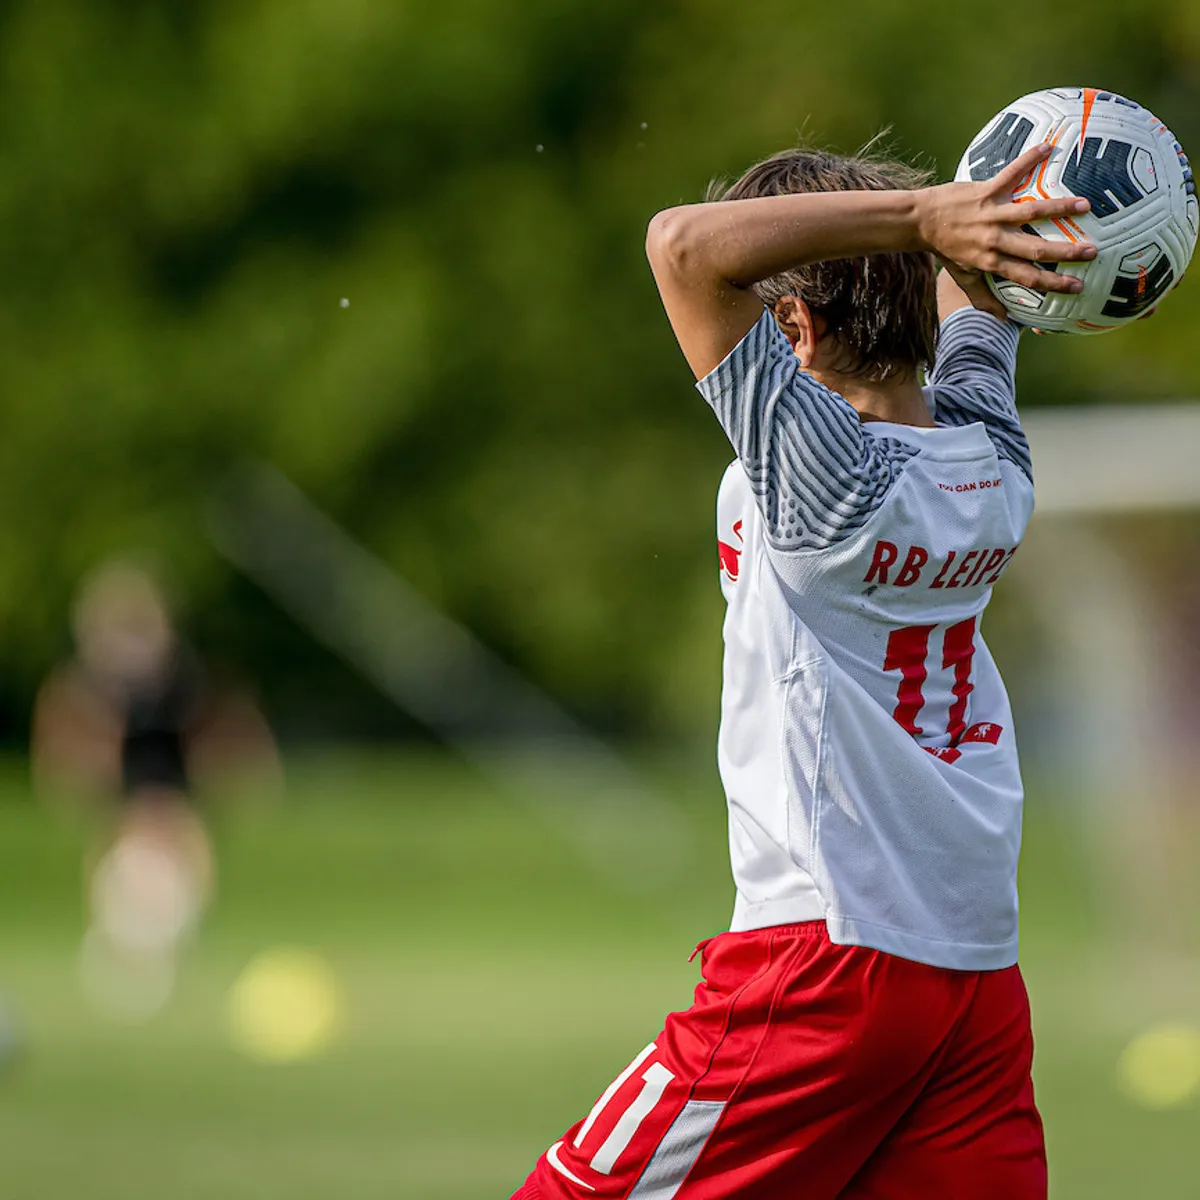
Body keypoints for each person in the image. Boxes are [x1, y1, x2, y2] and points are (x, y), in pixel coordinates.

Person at [509, 139, 1096, 1199]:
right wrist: (988, 217)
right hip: (971, 981)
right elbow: (982, 316)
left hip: (821, 963)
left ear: (792, 328)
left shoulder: (824, 484)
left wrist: (924, 216)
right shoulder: (991, 459)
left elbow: (680, 246)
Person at [32, 561, 280, 1016]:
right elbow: (65, 764)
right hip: (123, 800)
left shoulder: (188, 684)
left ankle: (177, 945)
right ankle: (118, 943)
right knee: (126, 864)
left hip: (175, 795)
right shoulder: (81, 692)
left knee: (180, 856)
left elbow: (229, 736)